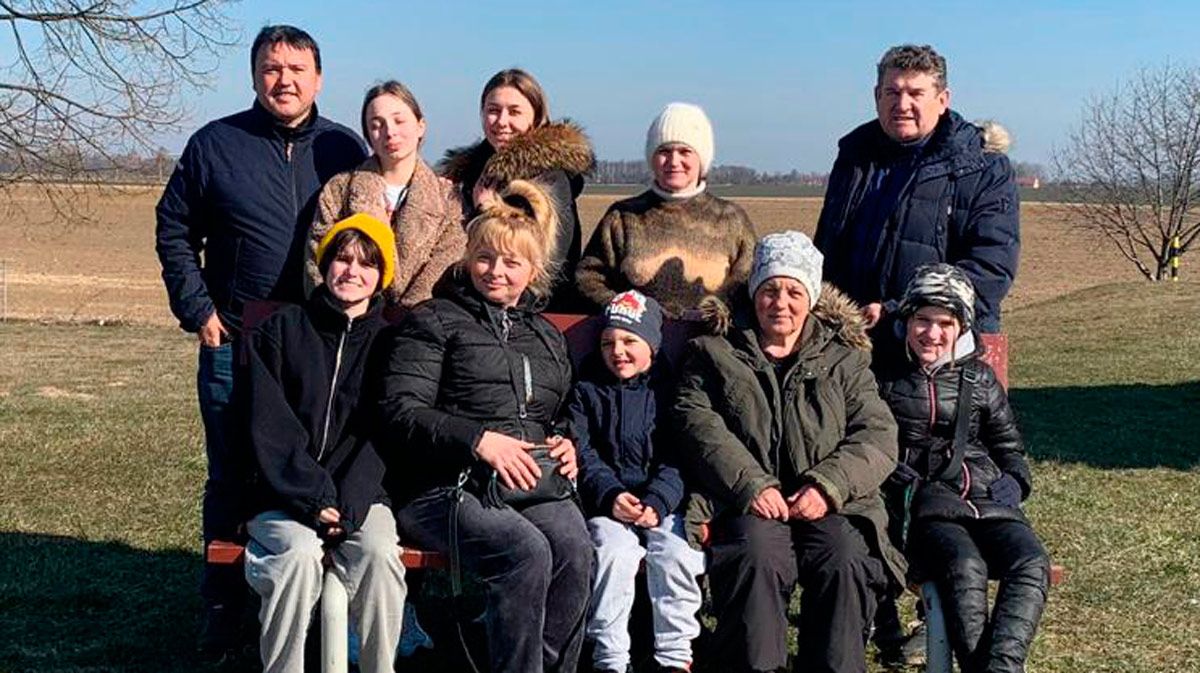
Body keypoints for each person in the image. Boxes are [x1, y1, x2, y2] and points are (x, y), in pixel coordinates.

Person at [154, 24, 366, 654]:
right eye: (272, 68)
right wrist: (199, 310)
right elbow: (173, 230)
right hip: (236, 342)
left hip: (315, 347)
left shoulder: (343, 149)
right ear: (254, 76)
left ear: (319, 78)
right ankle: (223, 606)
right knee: (231, 474)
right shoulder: (216, 144)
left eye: (298, 69)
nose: (285, 80)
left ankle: (318, 608)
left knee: (314, 468)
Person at [377, 180, 593, 673]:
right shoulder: (434, 320)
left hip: (530, 484)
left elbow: (556, 413)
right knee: (525, 553)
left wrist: (566, 443)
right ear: (469, 257)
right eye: (486, 258)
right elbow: (400, 410)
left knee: (576, 550)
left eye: (511, 263)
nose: (496, 272)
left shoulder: (544, 334)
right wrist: (478, 440)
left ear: (532, 271)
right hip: (442, 487)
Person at [672, 231, 905, 673]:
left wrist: (828, 486)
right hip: (744, 500)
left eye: (794, 291)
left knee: (846, 558)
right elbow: (695, 420)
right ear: (754, 293)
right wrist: (751, 484)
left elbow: (877, 434)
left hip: (834, 503)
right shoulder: (714, 353)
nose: (781, 302)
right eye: (770, 289)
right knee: (756, 555)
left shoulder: (844, 359)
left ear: (812, 298)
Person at [241, 213, 406, 673]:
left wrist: (347, 504)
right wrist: (313, 498)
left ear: (381, 276)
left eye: (366, 263)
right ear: (325, 263)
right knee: (295, 557)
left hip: (361, 496)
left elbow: (382, 434)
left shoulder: (392, 344)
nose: (351, 271)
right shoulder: (281, 330)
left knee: (377, 554)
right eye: (342, 258)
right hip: (281, 494)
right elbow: (268, 426)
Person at [876, 263, 1049, 673]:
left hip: (989, 500)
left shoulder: (980, 379)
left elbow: (1009, 446)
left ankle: (1002, 667)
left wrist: (1016, 479)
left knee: (1030, 562)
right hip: (926, 505)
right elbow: (865, 439)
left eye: (944, 323)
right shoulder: (884, 377)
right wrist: (889, 470)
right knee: (964, 565)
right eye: (922, 320)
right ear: (907, 320)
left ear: (960, 326)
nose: (931, 334)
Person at [813, 43, 1020, 364]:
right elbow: (827, 249)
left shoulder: (983, 169)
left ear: (943, 100)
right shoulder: (854, 158)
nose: (902, 104)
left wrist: (901, 312)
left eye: (915, 93)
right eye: (892, 92)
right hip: (854, 347)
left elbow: (990, 270)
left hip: (942, 355)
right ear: (876, 96)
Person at [569, 290, 705, 673]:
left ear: (653, 345)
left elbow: (681, 454)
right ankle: (610, 657)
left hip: (663, 502)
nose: (618, 351)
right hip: (608, 502)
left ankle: (674, 656)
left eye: (630, 341)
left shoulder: (671, 391)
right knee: (612, 553)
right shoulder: (587, 391)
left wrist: (659, 499)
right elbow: (584, 452)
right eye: (608, 342)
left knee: (677, 553)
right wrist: (610, 494)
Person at [576, 103, 757, 333]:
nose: (673, 161)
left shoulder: (731, 219)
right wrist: (627, 313)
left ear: (702, 158)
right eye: (664, 152)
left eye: (685, 152)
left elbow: (748, 284)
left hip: (710, 352)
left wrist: (720, 314)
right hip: (635, 353)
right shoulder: (623, 217)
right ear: (652, 158)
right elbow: (588, 278)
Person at [438, 68, 594, 311]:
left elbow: (549, 260)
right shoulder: (469, 173)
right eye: (493, 111)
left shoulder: (550, 179)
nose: (502, 122)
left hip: (531, 310)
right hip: (466, 304)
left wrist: (486, 211)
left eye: (514, 112)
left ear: (536, 117)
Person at [306, 80, 465, 309]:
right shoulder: (340, 189)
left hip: (421, 329)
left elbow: (446, 268)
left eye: (399, 121)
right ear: (368, 135)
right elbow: (316, 259)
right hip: (347, 322)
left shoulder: (449, 198)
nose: (390, 132)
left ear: (420, 126)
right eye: (377, 124)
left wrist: (411, 319)